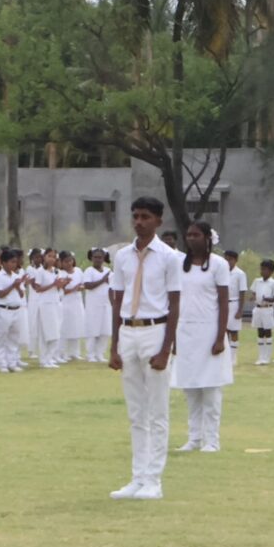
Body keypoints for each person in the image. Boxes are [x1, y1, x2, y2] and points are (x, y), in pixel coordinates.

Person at [106, 197, 182, 500]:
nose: (139, 222)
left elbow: (175, 304)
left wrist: (166, 349)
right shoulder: (122, 256)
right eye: (135, 216)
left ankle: (154, 480)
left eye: (145, 217)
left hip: (155, 329)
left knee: (157, 411)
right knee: (136, 412)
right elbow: (117, 300)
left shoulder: (169, 257)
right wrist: (114, 346)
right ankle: (137, 478)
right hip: (129, 331)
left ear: (158, 221)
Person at [169, 220, 235, 454]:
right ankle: (194, 438)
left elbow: (224, 302)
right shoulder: (179, 265)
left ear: (208, 238)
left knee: (211, 389)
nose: (191, 239)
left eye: (196, 235)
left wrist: (220, 337)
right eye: (188, 235)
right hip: (185, 331)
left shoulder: (219, 264)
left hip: (209, 331)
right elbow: (173, 301)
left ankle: (212, 440)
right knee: (190, 388)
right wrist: (173, 338)